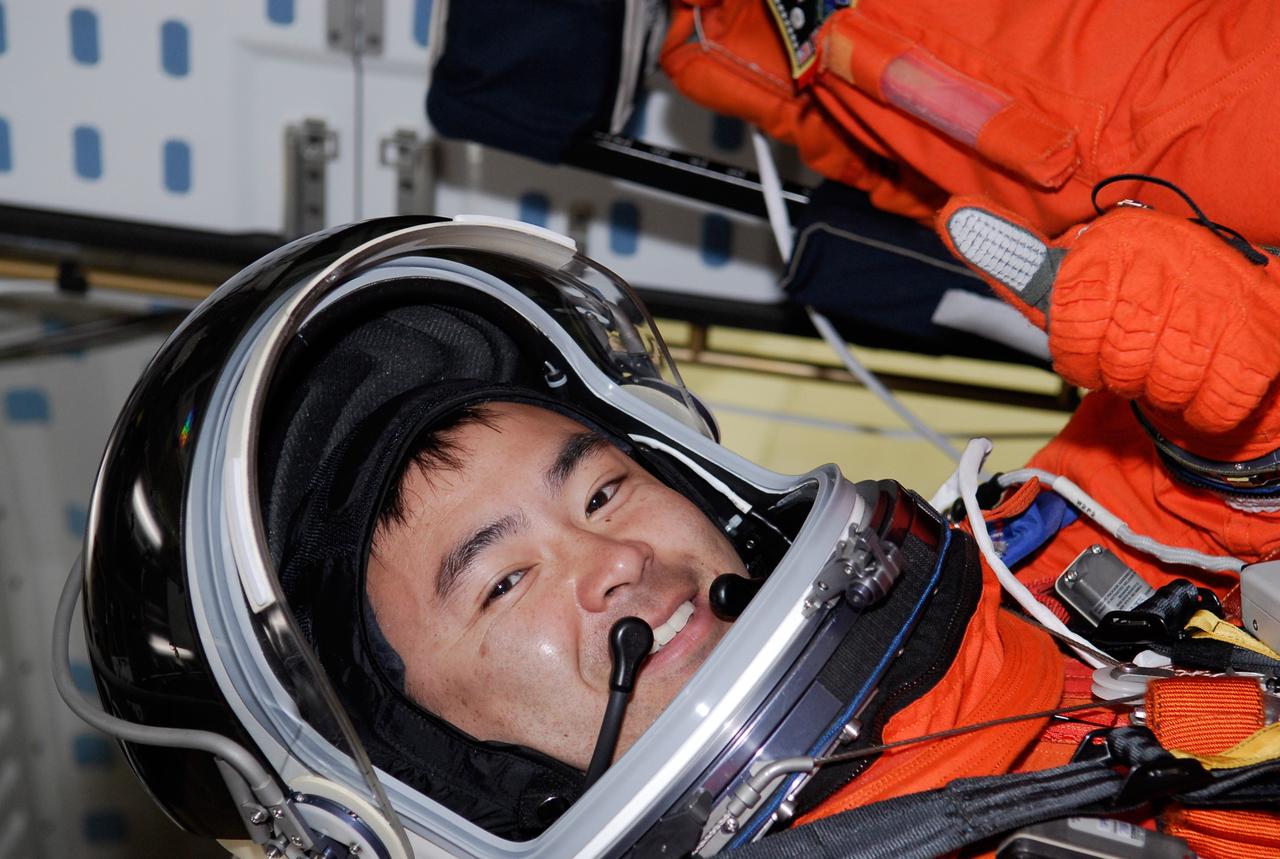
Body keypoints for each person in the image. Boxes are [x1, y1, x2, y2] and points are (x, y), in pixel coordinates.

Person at [69, 213, 1279, 859]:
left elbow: (1176, 506)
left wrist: (1234, 424)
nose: (619, 564)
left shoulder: (1029, 580)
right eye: (501, 581)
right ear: (438, 774)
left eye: (599, 492)